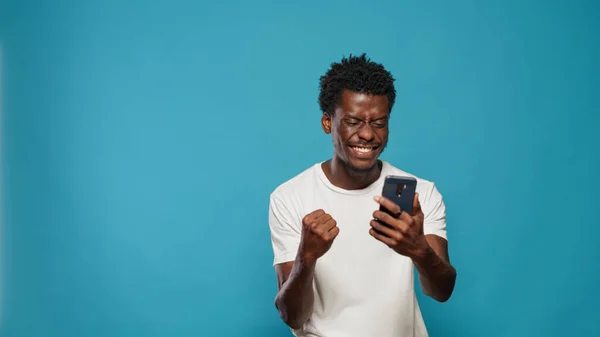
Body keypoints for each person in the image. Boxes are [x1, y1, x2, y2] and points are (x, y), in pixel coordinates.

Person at [267, 53, 457, 337]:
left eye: (379, 123)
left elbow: (442, 292)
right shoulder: (290, 197)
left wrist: (419, 251)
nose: (368, 135)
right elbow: (292, 316)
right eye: (353, 121)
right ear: (328, 123)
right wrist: (306, 258)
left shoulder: (418, 192)